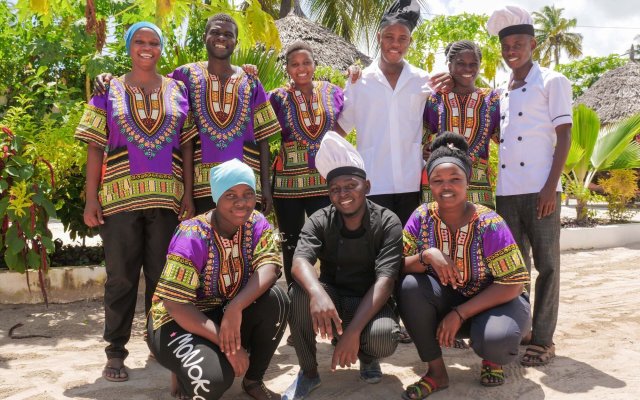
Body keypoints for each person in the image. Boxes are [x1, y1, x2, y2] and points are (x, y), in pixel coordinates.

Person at [75, 22, 196, 382]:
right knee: (121, 279)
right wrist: (91, 198)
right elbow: (95, 145)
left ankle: (159, 344)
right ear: (129, 47)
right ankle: (115, 352)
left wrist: (188, 193)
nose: (147, 48)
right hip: (119, 201)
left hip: (167, 199)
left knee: (162, 278)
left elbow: (187, 144)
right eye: (140, 42)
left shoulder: (177, 90)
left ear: (161, 49)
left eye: (154, 42)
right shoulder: (108, 89)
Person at [95, 13, 281, 215]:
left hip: (243, 186)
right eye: (215, 32)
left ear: (236, 42)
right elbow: (146, 79)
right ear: (204, 37)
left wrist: (265, 187)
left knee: (242, 244)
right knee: (201, 242)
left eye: (228, 35)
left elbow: (263, 138)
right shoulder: (185, 75)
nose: (221, 38)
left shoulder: (251, 81)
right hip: (201, 187)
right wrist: (110, 79)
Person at [398, 132, 531, 399]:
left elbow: (514, 284)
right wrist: (427, 254)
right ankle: (436, 372)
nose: (446, 186)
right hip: (446, 299)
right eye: (438, 180)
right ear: (429, 185)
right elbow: (396, 264)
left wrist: (459, 313)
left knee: (497, 341)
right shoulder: (421, 217)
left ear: (467, 182)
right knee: (409, 286)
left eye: (454, 179)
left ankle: (492, 360)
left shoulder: (489, 223)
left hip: (496, 303)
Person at [147, 158, 290, 400]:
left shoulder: (256, 222)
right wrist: (229, 346)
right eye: (230, 195)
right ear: (216, 197)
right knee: (211, 382)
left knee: (277, 299)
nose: (241, 202)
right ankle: (180, 368)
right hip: (177, 320)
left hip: (225, 311)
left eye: (248, 193)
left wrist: (236, 307)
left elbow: (270, 266)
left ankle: (253, 380)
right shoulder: (192, 235)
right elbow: (174, 304)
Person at [283, 131, 402, 400]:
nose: (343, 194)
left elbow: (385, 280)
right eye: (335, 189)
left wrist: (353, 333)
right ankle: (309, 373)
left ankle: (368, 356)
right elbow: (299, 261)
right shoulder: (320, 219)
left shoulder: (387, 221)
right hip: (333, 301)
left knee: (384, 337)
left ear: (367, 186)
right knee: (299, 292)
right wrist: (317, 293)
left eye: (350, 186)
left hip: (370, 302)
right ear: (328, 193)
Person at [487, 5, 573, 366]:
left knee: (548, 266)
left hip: (541, 190)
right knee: (514, 267)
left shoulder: (552, 81)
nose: (512, 51)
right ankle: (519, 329)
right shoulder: (500, 90)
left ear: (533, 44)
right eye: (506, 45)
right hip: (507, 191)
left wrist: (551, 188)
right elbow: (498, 136)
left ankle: (543, 338)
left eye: (518, 43)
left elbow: (564, 135)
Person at [336, 0, 451, 226]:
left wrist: (452, 80)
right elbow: (340, 129)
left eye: (402, 38)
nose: (395, 44)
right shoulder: (360, 82)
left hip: (411, 182)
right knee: (377, 250)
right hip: (372, 183)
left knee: (408, 248)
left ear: (410, 41)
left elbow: (444, 112)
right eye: (389, 36)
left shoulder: (422, 81)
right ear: (379, 37)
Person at [269, 40, 344, 286]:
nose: (301, 68)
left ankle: (331, 294)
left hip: (323, 180)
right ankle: (296, 300)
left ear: (314, 64)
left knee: (329, 239)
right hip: (287, 184)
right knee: (291, 242)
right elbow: (254, 117)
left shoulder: (332, 91)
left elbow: (354, 115)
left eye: (306, 63)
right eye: (294, 64)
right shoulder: (277, 98)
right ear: (287, 68)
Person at [421, 40, 500, 209]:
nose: (468, 69)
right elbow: (421, 137)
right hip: (440, 182)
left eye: (473, 64)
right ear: (450, 66)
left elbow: (505, 139)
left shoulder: (491, 100)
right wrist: (425, 149)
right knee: (437, 232)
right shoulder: (435, 99)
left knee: (480, 231)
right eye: (461, 63)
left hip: (477, 184)